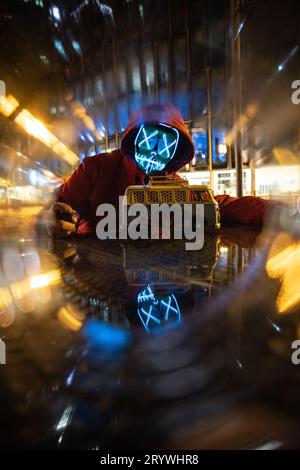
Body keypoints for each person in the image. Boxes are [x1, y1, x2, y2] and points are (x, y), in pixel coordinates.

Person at [46, 103, 269, 238]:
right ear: (134, 137)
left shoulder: (172, 183)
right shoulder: (95, 169)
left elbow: (218, 205)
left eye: (165, 145)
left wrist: (275, 211)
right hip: (97, 268)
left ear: (176, 151)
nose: (155, 151)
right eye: (149, 139)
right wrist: (52, 220)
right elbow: (58, 207)